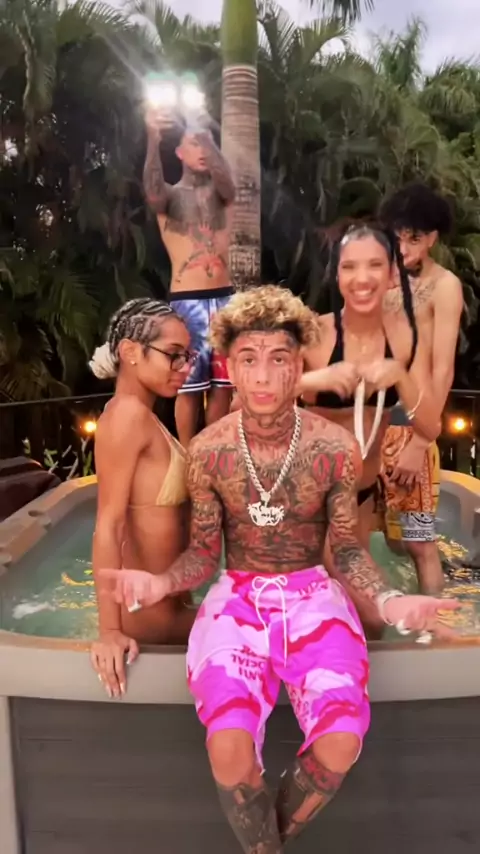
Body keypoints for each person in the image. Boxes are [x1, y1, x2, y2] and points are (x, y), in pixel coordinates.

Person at [99, 286, 457, 853]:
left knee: (342, 739)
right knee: (228, 747)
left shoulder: (333, 448)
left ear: (299, 367)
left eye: (279, 359)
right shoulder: (210, 451)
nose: (263, 376)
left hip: (314, 598)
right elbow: (203, 553)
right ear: (231, 368)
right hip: (237, 602)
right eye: (248, 359)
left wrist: (391, 601)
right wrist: (162, 582)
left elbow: (346, 550)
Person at [301, 224, 440, 637]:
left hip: (359, 496)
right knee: (362, 615)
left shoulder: (407, 335)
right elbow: (247, 404)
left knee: (369, 626)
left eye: (375, 265)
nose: (361, 278)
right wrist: (313, 380)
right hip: (309, 498)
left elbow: (429, 425)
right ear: (337, 274)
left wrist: (401, 376)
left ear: (393, 272)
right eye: (350, 267)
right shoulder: (314, 334)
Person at [88, 298, 197, 699]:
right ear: (131, 352)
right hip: (153, 622)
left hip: (171, 610)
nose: (184, 367)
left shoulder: (146, 417)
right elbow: (109, 524)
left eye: (188, 356)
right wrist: (110, 631)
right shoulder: (126, 416)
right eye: (173, 355)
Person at [379, 183, 464, 592]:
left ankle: (433, 625)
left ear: (432, 238)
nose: (404, 247)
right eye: (398, 237)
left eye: (414, 238)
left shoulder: (445, 285)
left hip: (411, 426)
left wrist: (420, 440)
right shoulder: (380, 281)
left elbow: (443, 369)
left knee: (419, 543)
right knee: (362, 537)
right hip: (371, 426)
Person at [143, 108, 236, 446]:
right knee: (189, 385)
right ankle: (186, 454)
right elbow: (153, 191)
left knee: (224, 385)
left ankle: (214, 450)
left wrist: (206, 135)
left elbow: (228, 182)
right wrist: (153, 139)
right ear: (179, 153)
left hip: (225, 298)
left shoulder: (221, 195)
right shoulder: (169, 197)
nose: (202, 150)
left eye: (206, 144)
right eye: (194, 144)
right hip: (188, 301)